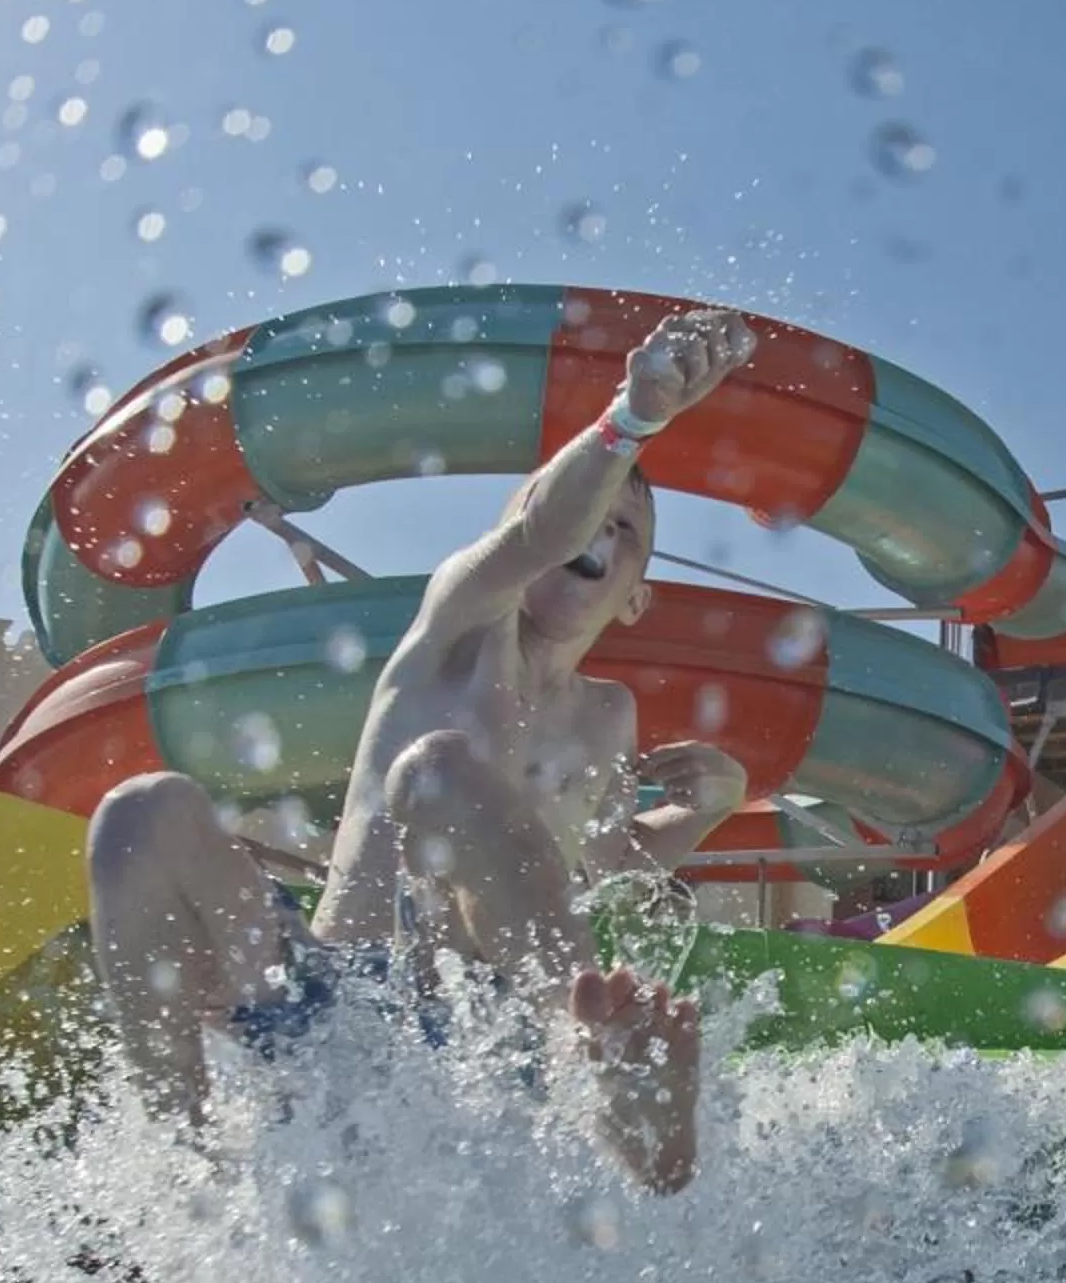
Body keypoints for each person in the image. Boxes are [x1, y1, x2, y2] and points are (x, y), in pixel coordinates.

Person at [84, 305, 762, 1193]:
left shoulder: (606, 718)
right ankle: (187, 1176)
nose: (599, 527)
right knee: (144, 814)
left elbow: (599, 864)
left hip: (484, 1038)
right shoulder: (457, 626)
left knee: (447, 780)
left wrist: (715, 801)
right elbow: (545, 533)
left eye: (625, 531)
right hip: (329, 1008)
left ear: (634, 599)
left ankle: (603, 1069)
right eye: (585, 507)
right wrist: (629, 424)